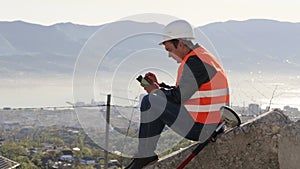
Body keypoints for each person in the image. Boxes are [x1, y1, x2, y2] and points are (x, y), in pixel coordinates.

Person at [125, 20, 230, 169]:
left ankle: (145, 155)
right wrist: (159, 87)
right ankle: (145, 155)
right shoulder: (201, 57)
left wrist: (155, 92)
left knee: (150, 101)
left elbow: (178, 97)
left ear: (180, 44)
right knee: (155, 98)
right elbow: (185, 92)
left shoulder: (196, 62)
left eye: (169, 49)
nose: (169, 55)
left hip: (202, 127)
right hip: (211, 124)